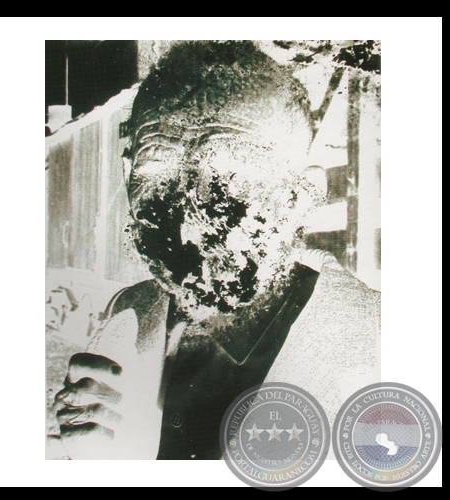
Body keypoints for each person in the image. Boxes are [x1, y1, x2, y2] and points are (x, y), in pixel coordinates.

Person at [52, 41, 380, 460]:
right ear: (126, 174)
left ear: (301, 197)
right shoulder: (129, 311)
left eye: (231, 176)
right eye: (156, 171)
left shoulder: (386, 348)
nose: (184, 223)